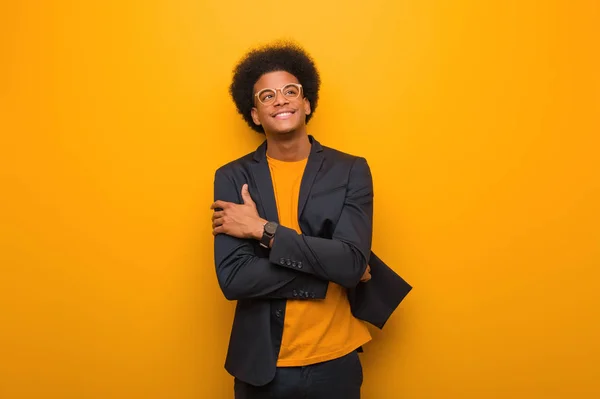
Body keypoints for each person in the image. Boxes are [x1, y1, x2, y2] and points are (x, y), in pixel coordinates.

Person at [211, 41, 411, 399]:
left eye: (291, 91)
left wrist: (262, 230)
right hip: (261, 367)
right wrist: (329, 269)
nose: (281, 100)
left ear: (306, 102)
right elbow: (234, 279)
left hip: (336, 364)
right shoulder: (232, 177)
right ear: (255, 114)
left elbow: (350, 264)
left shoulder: (351, 170)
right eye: (267, 95)